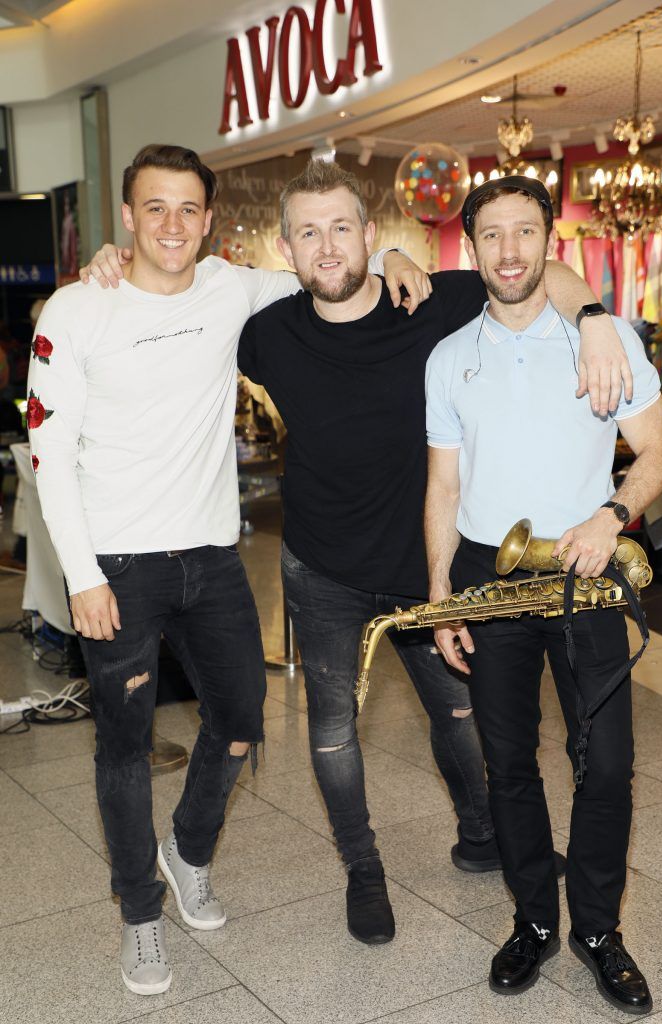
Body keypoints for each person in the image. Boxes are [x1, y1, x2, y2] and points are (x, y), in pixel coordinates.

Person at [84, 160, 632, 947]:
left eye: (342, 228)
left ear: (371, 236)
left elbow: (542, 270)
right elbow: (166, 292)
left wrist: (596, 321)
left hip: (420, 561)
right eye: (307, 233)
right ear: (286, 248)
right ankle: (362, 871)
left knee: (460, 715)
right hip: (322, 570)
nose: (326, 246)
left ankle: (484, 835)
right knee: (333, 733)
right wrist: (109, 261)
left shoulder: (434, 298)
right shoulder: (264, 329)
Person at [28, 143, 425, 997]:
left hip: (210, 557)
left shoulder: (232, 287)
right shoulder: (74, 309)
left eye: (187, 210)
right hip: (119, 567)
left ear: (208, 222)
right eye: (153, 208)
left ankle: (189, 852)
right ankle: (139, 916)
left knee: (241, 726)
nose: (171, 225)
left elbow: (330, 268)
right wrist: (83, 575)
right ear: (126, 218)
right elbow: (49, 455)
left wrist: (391, 252)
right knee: (125, 751)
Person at [424, 176, 662, 1014]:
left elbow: (659, 454)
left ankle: (598, 930)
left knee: (604, 765)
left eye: (524, 233)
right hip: (489, 578)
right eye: (490, 235)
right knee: (507, 767)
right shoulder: (448, 357)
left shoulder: (602, 344)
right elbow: (441, 487)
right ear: (470, 247)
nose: (507, 251)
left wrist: (611, 516)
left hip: (585, 574)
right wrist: (439, 597)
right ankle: (533, 919)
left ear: (548, 243)